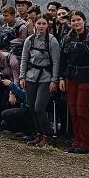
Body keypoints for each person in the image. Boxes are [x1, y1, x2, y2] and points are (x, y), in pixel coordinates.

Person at [60, 10, 89, 154]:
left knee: (82, 111)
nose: (76, 23)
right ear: (70, 23)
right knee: (73, 111)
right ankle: (77, 141)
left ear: (84, 20)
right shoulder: (68, 38)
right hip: (71, 78)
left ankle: (87, 144)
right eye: (73, 21)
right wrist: (61, 77)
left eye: (78, 20)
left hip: (88, 79)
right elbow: (63, 60)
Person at [19, 16, 61, 147]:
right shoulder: (29, 40)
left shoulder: (52, 41)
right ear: (35, 24)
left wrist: (54, 80)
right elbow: (24, 59)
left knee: (39, 107)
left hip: (46, 78)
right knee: (31, 106)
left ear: (47, 25)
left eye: (44, 24)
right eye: (39, 23)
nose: (41, 26)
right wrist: (22, 77)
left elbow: (56, 62)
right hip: (31, 76)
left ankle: (47, 135)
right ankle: (38, 134)